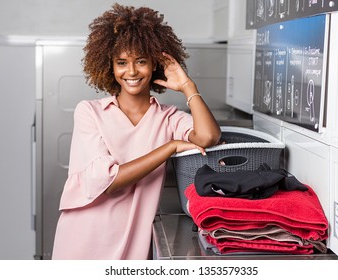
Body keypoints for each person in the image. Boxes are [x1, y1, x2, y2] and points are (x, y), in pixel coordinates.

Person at [51, 3, 221, 260]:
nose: (131, 72)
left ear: (155, 63)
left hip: (131, 246)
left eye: (141, 61)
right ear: (110, 65)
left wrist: (187, 85)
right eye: (122, 62)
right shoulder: (89, 112)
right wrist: (170, 147)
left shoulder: (168, 117)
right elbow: (109, 181)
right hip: (82, 240)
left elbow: (208, 136)